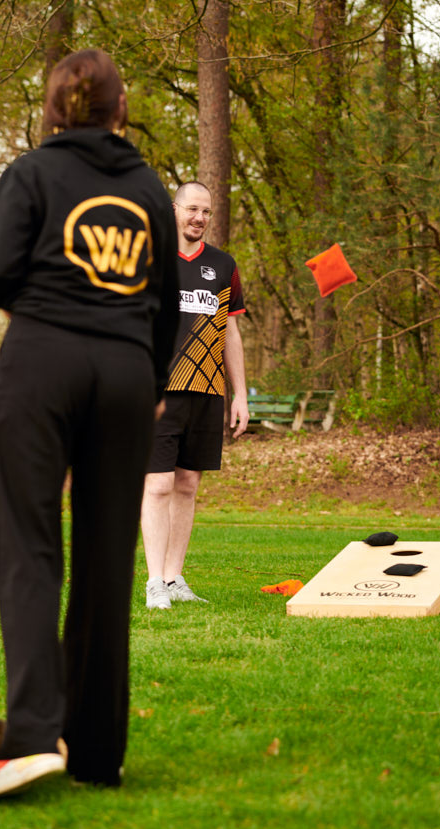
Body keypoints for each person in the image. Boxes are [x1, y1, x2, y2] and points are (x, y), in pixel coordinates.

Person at [0, 49, 179, 800]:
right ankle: (96, 750)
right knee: (105, 557)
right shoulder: (152, 188)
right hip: (127, 373)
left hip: (42, 360)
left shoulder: (31, 174)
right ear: (120, 109)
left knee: (30, 543)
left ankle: (30, 738)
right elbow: (168, 295)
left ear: (56, 110)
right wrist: (148, 379)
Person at [140, 180, 249, 609]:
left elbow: (231, 332)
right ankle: (153, 582)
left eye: (206, 212)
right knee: (159, 483)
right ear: (175, 209)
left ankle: (173, 578)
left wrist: (239, 395)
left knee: (187, 484)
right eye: (192, 210)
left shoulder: (224, 265)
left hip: (206, 390)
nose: (199, 218)